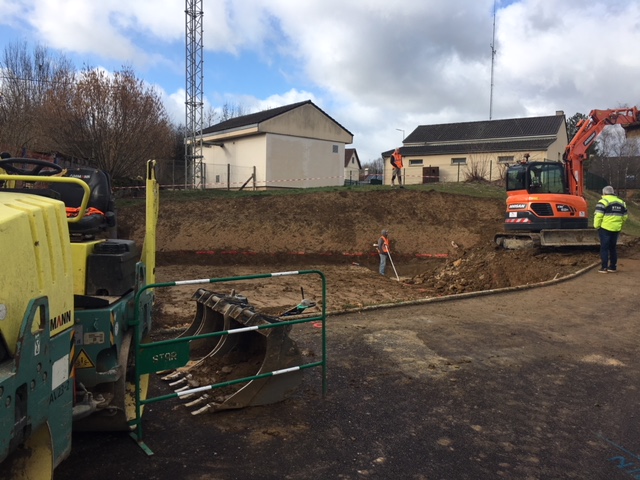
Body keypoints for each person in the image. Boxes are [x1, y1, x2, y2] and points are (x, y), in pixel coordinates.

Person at [594, 185, 628, 273]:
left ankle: (604, 267)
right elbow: (625, 217)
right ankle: (613, 266)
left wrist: (597, 226)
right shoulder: (621, 202)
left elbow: (598, 215)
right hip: (616, 228)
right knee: (613, 247)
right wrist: (620, 225)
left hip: (605, 228)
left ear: (604, 193)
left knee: (604, 247)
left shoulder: (603, 201)